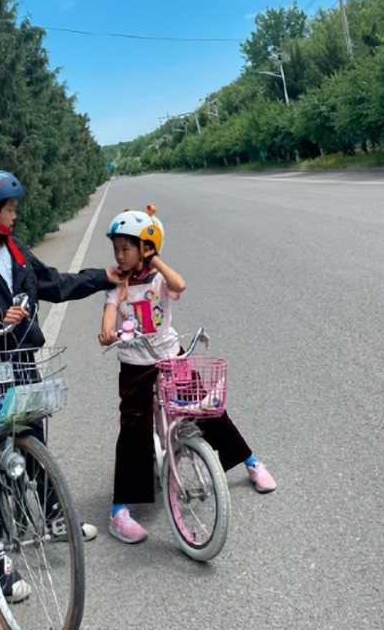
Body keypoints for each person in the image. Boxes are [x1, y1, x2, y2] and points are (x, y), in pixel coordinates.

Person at [0, 169, 120, 601]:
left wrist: (103, 277)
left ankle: (52, 515)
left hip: (23, 360)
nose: (15, 214)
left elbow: (55, 284)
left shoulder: (18, 252)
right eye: (9, 208)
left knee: (34, 442)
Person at [98, 205, 277, 544]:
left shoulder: (159, 279)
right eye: (116, 249)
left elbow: (180, 284)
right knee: (133, 432)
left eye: (126, 248)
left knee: (205, 408)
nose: (119, 256)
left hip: (170, 358)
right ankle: (119, 511)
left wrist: (155, 260)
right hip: (134, 366)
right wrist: (107, 331)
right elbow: (108, 318)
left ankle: (250, 461)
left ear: (145, 249)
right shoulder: (117, 285)